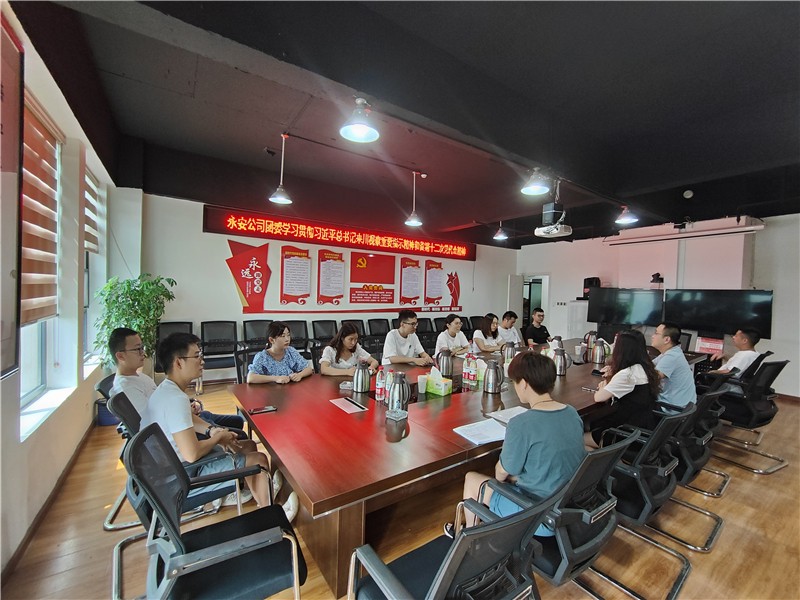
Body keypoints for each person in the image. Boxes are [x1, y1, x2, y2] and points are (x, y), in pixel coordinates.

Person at [142, 332, 298, 520]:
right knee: (259, 460)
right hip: (182, 478)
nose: (202, 361)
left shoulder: (166, 390)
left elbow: (189, 418)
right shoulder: (176, 399)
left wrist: (212, 430)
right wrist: (219, 438)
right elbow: (191, 454)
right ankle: (273, 517)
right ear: (178, 363)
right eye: (196, 356)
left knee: (247, 445)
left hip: (170, 469)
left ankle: (260, 494)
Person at [445, 352, 586, 538]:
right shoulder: (571, 413)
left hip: (540, 515)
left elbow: (501, 473)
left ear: (524, 383)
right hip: (569, 506)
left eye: (515, 382)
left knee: (472, 479)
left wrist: (507, 473)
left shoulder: (522, 423)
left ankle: (469, 538)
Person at [588, 330, 660, 446]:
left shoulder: (627, 374)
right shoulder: (646, 367)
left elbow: (599, 398)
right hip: (643, 427)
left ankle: (605, 457)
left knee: (578, 442)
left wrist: (604, 385)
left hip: (626, 434)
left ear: (621, 350)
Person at [108, 327, 157, 415]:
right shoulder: (126, 388)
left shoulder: (137, 375)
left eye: (142, 348)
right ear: (120, 356)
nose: (143, 353)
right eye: (137, 349)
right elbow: (151, 418)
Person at [247, 321, 314, 384]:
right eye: (283, 336)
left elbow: (308, 369)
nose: (287, 339)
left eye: (288, 335)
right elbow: (251, 378)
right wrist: (276, 378)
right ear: (271, 340)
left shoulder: (291, 351)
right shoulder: (262, 356)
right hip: (270, 390)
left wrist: (299, 375)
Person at [702, 328, 762, 395]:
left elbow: (730, 372)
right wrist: (726, 357)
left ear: (744, 340)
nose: (733, 337)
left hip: (726, 385)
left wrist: (711, 372)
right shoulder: (754, 354)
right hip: (733, 384)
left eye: (736, 336)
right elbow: (739, 365)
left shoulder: (743, 355)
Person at [651, 322, 696, 407]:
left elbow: (653, 377)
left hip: (674, 408)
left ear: (667, 339)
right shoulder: (672, 352)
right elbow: (649, 365)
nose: (652, 336)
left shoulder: (672, 356)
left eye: (656, 333)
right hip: (681, 405)